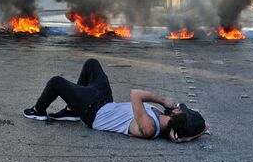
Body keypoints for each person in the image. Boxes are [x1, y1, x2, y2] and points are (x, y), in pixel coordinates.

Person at [24, 58, 208, 143]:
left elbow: (135, 93)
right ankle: (72, 111)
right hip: (105, 102)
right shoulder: (166, 121)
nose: (177, 107)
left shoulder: (150, 127)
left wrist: (163, 101)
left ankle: (38, 111)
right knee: (91, 64)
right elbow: (205, 126)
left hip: (93, 112)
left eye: (179, 109)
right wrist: (188, 137)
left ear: (177, 115)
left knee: (56, 82)